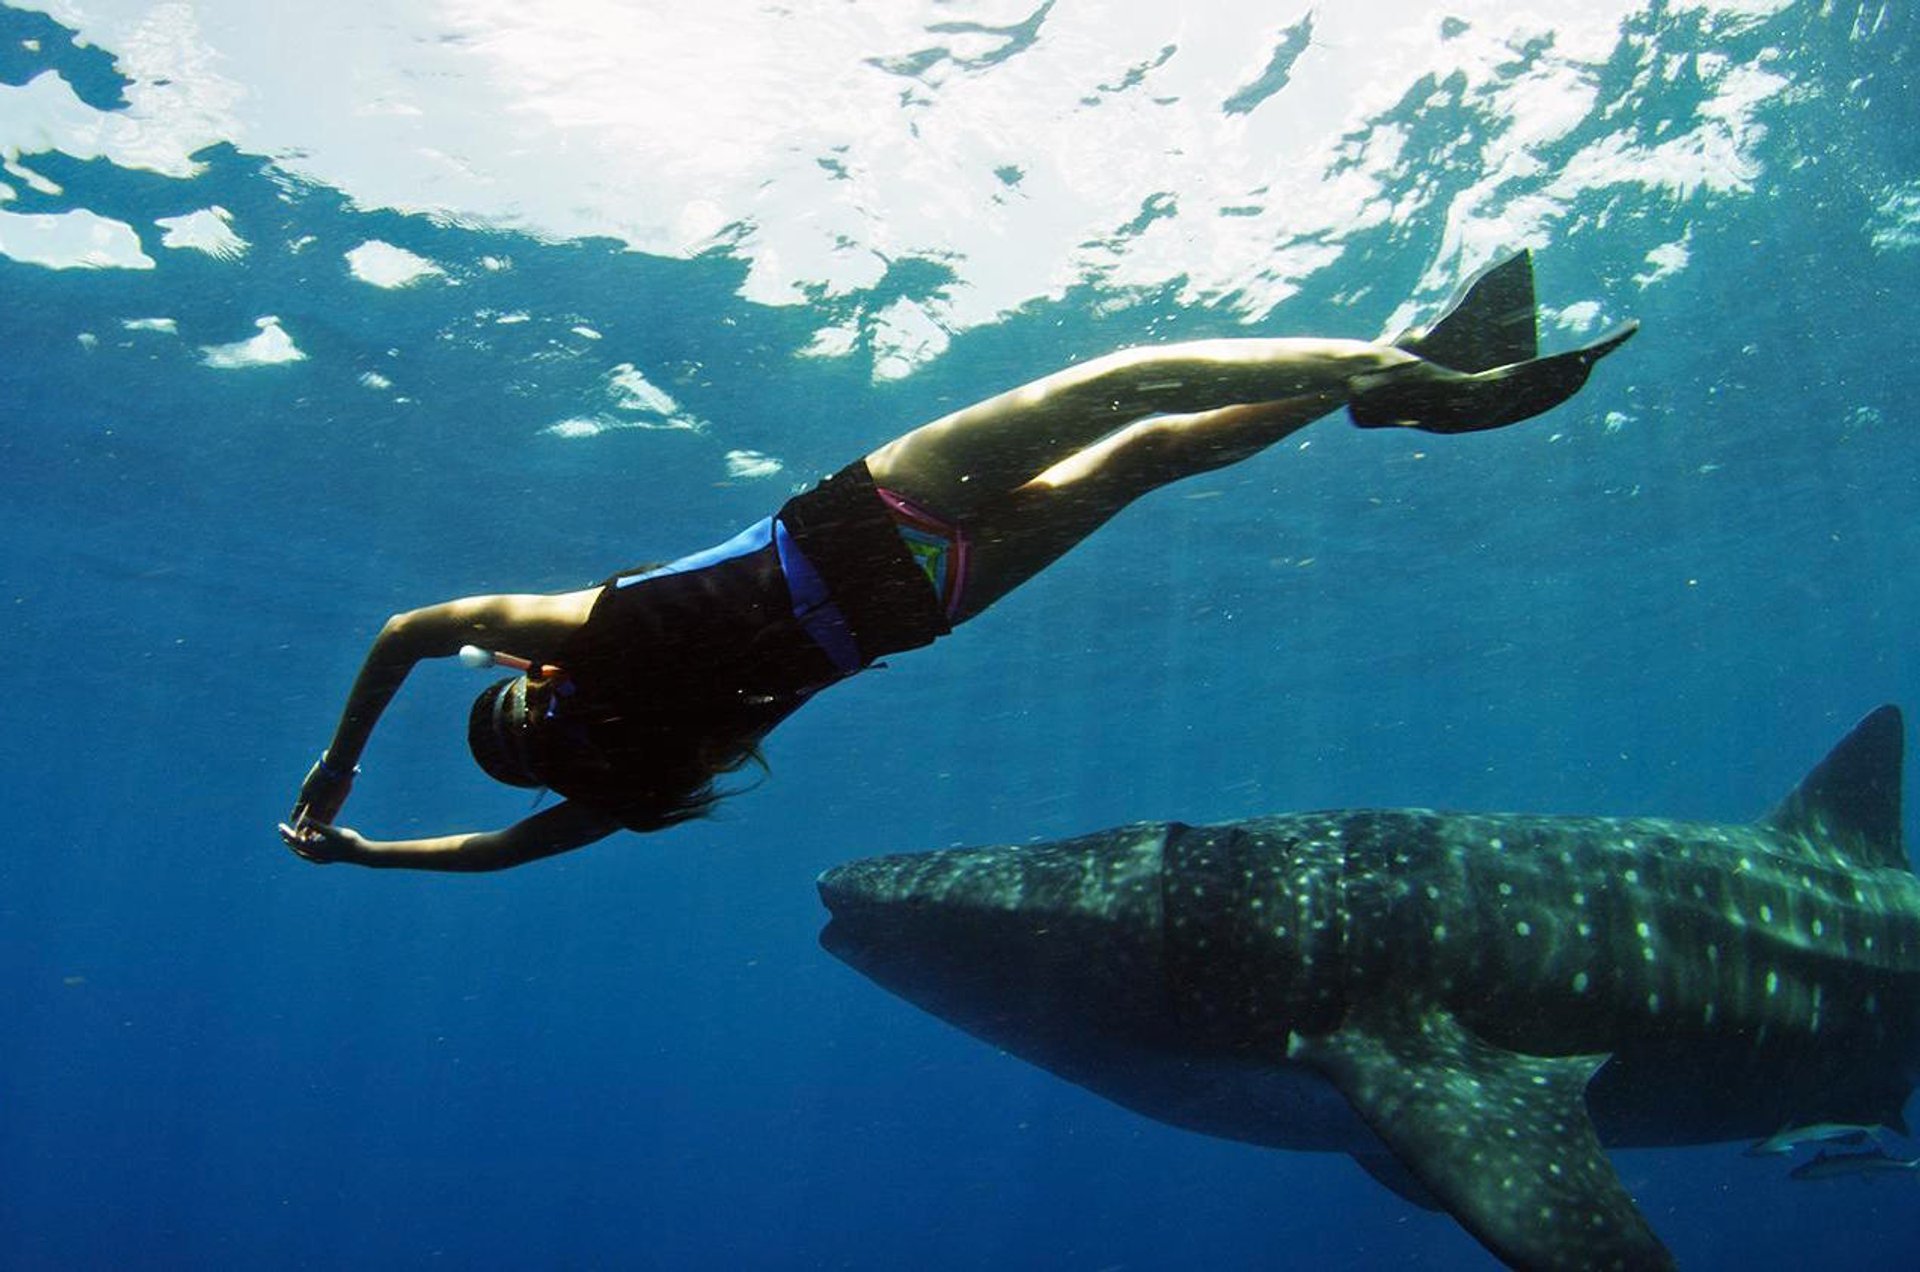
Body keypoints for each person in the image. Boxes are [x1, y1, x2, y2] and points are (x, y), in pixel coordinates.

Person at [279, 251, 1634, 871]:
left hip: (915, 608)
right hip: (861, 519)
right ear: (523, 682)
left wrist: (365, 856)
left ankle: (1385, 397)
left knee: (1147, 461)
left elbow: (499, 855)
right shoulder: (578, 637)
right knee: (1126, 385)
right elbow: (409, 628)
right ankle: (1393, 367)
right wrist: (338, 769)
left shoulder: (639, 779)